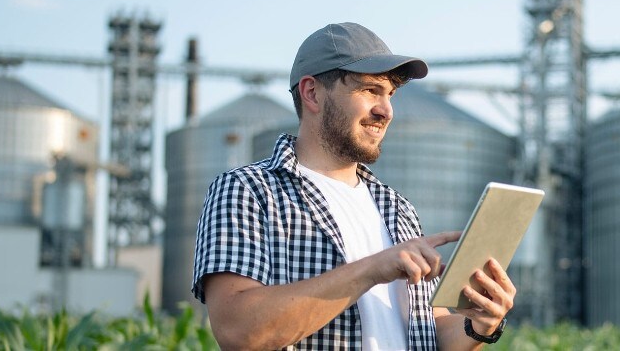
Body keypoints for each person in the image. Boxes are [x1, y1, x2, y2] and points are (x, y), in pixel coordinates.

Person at [192, 22, 516, 350]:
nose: (386, 110)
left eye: (390, 94)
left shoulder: (397, 207)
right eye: (370, 90)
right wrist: (372, 268)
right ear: (312, 92)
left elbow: (427, 332)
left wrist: (477, 325)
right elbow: (237, 331)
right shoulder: (248, 191)